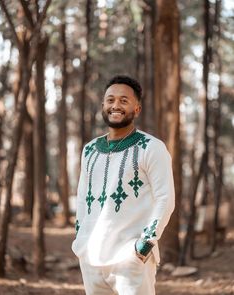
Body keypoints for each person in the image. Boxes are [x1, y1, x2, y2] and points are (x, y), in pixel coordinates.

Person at [72, 75, 175, 295]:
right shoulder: (89, 150)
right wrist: (81, 242)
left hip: (130, 259)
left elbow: (165, 199)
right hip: (91, 257)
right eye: (110, 100)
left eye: (124, 100)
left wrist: (145, 245)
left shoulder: (152, 148)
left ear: (137, 109)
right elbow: (82, 197)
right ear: (103, 106)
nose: (115, 105)